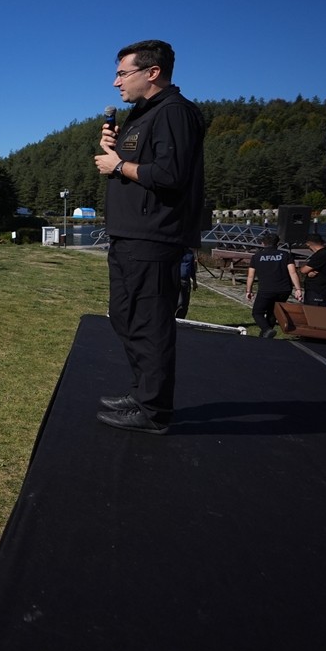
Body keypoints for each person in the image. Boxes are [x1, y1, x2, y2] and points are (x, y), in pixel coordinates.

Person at [92, 39, 206, 435]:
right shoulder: (144, 114)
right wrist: (114, 152)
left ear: (152, 72)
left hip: (154, 236)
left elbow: (171, 175)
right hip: (129, 234)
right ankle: (142, 392)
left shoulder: (174, 112)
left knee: (150, 321)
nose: (116, 82)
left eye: (122, 73)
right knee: (125, 315)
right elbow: (139, 165)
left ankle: (153, 410)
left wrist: (118, 165)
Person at [246, 232, 303, 338]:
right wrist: (298, 289)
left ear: (263, 243)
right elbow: (293, 272)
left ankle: (266, 329)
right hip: (284, 289)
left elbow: (251, 276)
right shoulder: (286, 255)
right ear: (278, 243)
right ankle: (265, 336)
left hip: (266, 289)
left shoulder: (256, 257)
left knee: (257, 312)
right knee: (273, 312)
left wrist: (249, 290)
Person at [297, 233, 326, 307]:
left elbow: (303, 270)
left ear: (309, 244)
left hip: (318, 291)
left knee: (314, 311)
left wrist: (308, 270)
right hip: (320, 289)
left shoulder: (322, 254)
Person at [175, 248, 198, 319]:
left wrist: (194, 281)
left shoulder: (190, 254)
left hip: (185, 281)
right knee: (177, 302)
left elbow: (192, 269)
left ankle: (180, 319)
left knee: (184, 303)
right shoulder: (175, 251)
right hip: (176, 279)